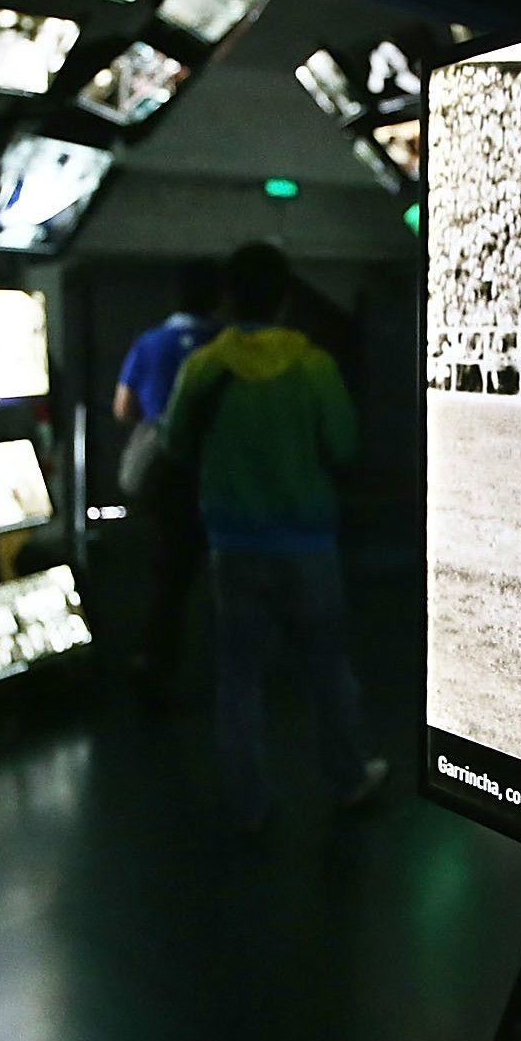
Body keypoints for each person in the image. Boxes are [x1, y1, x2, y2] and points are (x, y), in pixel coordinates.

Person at [161, 244, 386, 831]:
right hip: (308, 543)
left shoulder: (205, 367)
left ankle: (248, 801)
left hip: (233, 545)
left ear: (230, 298)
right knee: (327, 666)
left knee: (238, 676)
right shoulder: (314, 366)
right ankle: (349, 778)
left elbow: (174, 444)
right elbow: (343, 445)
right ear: (286, 297)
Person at [113, 265, 222, 686]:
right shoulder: (224, 344)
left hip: (167, 475)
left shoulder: (149, 342)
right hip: (218, 470)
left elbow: (123, 408)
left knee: (167, 574)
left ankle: (158, 662)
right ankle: (227, 668)